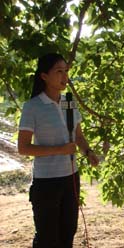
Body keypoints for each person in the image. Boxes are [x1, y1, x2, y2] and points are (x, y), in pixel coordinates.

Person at [17, 53, 99, 248]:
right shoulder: (32, 107)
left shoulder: (69, 102)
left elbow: (78, 136)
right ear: (44, 76)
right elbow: (23, 147)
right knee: (48, 238)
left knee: (68, 231)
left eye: (67, 71)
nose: (65, 76)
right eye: (59, 71)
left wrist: (88, 152)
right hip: (46, 182)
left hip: (71, 177)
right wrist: (59, 149)